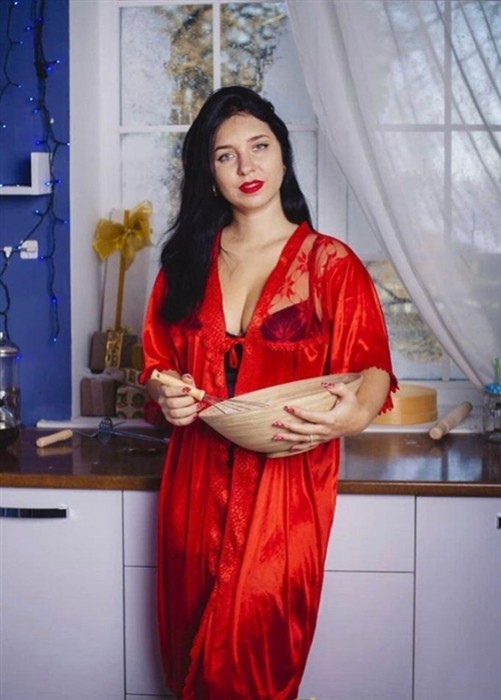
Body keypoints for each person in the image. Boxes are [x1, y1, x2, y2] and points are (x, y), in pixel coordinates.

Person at [141, 85, 397, 700]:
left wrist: (351, 417)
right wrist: (164, 392)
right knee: (186, 661)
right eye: (225, 155)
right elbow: (156, 364)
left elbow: (372, 369)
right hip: (193, 487)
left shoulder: (331, 264)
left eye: (259, 147)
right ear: (208, 172)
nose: (246, 166)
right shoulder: (184, 263)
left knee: (253, 669)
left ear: (283, 154)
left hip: (287, 493)